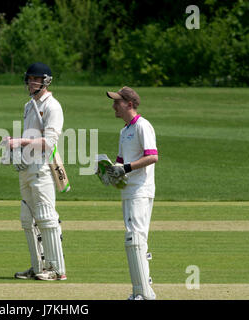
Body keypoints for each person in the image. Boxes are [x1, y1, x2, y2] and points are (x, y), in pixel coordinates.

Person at [6, 62, 66, 281]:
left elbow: (49, 143)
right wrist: (17, 150)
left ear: (45, 81)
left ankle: (57, 269)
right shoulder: (29, 105)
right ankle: (38, 266)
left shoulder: (53, 106)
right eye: (29, 78)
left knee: (46, 217)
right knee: (27, 218)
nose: (31, 82)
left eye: (35, 79)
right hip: (28, 167)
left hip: (42, 167)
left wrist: (20, 141)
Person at [105, 86, 158, 300]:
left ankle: (144, 294)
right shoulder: (124, 130)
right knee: (135, 240)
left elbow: (152, 156)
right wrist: (108, 171)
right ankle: (141, 291)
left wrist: (125, 169)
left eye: (117, 102)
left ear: (129, 104)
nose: (113, 106)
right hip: (128, 190)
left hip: (140, 190)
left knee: (135, 239)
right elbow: (120, 161)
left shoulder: (142, 126)